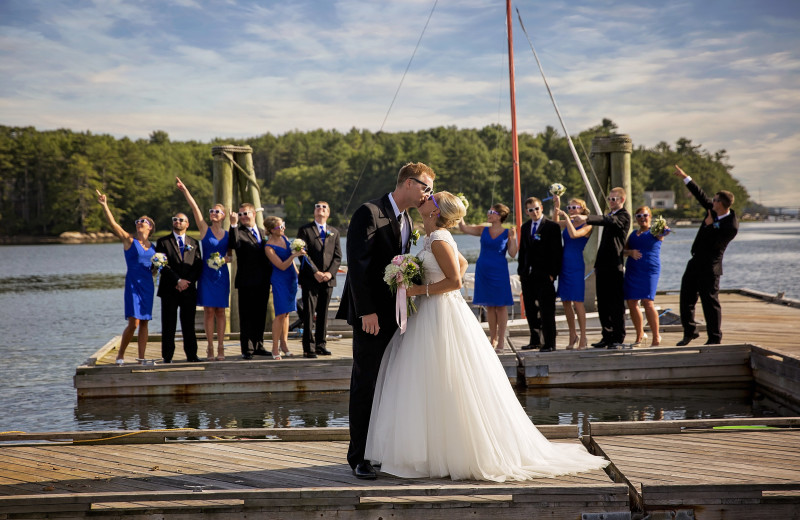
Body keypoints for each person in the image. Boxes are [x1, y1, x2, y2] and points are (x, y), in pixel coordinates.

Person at [365, 192, 609, 481]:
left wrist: (419, 290)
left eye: (432, 197)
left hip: (440, 313)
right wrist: (417, 278)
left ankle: (452, 453)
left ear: (435, 210)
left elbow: (456, 280)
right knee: (427, 379)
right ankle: (431, 451)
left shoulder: (440, 238)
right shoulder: (433, 237)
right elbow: (463, 266)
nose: (426, 198)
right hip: (431, 313)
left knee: (446, 377)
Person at [336, 161, 435, 480]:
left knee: (388, 383)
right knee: (365, 382)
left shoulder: (406, 219)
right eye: (425, 186)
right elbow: (359, 264)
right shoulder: (369, 211)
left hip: (396, 315)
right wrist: (366, 311)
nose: (427, 193)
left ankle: (379, 450)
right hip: (372, 316)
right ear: (408, 183)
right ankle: (359, 456)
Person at [673, 165, 739, 345]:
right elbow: (700, 194)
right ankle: (690, 331)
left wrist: (710, 225)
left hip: (710, 267)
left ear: (722, 204)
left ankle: (714, 338)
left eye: (715, 199)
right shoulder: (712, 210)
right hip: (695, 262)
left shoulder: (731, 226)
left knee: (710, 303)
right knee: (686, 298)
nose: (712, 201)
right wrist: (686, 176)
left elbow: (715, 244)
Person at [96, 190, 155, 365]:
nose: (139, 223)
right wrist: (105, 205)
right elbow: (113, 224)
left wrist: (157, 267)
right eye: (137, 221)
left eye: (143, 222)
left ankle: (141, 358)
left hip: (147, 286)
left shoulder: (154, 248)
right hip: (132, 285)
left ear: (150, 227)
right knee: (134, 322)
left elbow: (154, 270)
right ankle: (120, 355)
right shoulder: (129, 241)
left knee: (144, 322)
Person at [175, 177, 230, 361]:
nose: (213, 213)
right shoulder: (204, 229)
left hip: (221, 275)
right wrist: (185, 190)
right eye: (211, 211)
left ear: (223, 216)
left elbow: (230, 255)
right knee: (208, 311)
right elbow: (194, 207)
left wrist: (225, 259)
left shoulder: (228, 235)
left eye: (217, 211)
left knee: (221, 311)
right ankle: (210, 348)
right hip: (206, 275)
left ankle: (221, 346)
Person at [574, 187, 631, 349]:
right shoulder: (611, 216)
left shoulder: (623, 216)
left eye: (615, 199)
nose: (611, 201)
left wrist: (586, 218)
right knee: (604, 303)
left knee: (616, 303)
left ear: (622, 200)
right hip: (603, 266)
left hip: (615, 266)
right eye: (610, 199)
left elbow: (609, 221)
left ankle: (618, 337)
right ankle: (607, 335)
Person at [458, 203, 518, 353]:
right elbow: (463, 228)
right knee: (490, 306)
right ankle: (493, 338)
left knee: (501, 305)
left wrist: (514, 238)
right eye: (488, 211)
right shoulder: (482, 229)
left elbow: (512, 253)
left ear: (500, 215)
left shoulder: (507, 233)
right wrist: (460, 211)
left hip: (499, 271)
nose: (488, 214)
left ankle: (501, 340)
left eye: (491, 212)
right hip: (483, 270)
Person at [296, 201, 343, 358]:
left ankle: (321, 345)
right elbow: (303, 253)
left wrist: (330, 273)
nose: (320, 209)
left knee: (323, 313)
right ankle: (308, 347)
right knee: (309, 313)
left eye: (323, 207)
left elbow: (337, 256)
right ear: (314, 211)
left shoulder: (334, 232)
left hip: (328, 280)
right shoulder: (305, 230)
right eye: (317, 207)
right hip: (310, 279)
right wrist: (315, 272)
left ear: (328, 213)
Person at [156, 212, 203, 363]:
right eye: (175, 219)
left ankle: (191, 355)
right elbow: (162, 264)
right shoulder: (163, 242)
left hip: (188, 290)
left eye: (181, 220)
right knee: (169, 324)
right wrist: (177, 280)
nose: (177, 222)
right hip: (170, 289)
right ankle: (167, 356)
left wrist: (187, 281)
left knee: (188, 324)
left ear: (187, 224)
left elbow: (197, 265)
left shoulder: (194, 243)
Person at [517, 197, 563, 352]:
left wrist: (552, 274)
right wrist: (521, 272)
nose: (534, 212)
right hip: (528, 276)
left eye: (536, 208)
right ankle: (535, 340)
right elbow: (523, 251)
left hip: (545, 275)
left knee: (546, 311)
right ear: (526, 212)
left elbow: (557, 252)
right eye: (531, 210)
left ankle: (550, 343)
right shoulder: (525, 227)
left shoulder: (551, 227)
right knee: (530, 310)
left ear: (541, 208)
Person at [229, 204, 272, 359]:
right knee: (246, 316)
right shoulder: (238, 232)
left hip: (263, 281)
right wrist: (233, 224)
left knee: (260, 315)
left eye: (245, 213)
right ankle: (247, 348)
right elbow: (234, 245)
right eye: (240, 215)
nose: (243, 217)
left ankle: (258, 345)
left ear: (253, 213)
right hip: (246, 281)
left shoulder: (263, 232)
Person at [553, 196, 593, 350]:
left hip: (576, 264)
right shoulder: (568, 221)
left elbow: (574, 235)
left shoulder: (588, 225)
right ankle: (572, 334)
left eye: (575, 207)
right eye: (569, 208)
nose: (571, 210)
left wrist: (567, 218)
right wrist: (557, 207)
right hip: (564, 263)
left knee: (578, 302)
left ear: (582, 209)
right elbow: (555, 223)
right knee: (566, 301)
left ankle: (583, 336)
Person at [264, 216, 306, 360]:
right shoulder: (269, 247)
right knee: (280, 314)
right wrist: (294, 255)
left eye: (283, 225)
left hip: (290, 278)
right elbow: (281, 265)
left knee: (287, 312)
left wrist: (298, 274)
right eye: (279, 227)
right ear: (271, 230)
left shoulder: (285, 238)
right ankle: (275, 347)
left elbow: (291, 263)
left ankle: (284, 344)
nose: (283, 228)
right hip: (279, 279)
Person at [623, 206, 666, 347]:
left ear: (650, 217)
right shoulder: (633, 234)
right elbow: (623, 250)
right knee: (632, 302)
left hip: (649, 270)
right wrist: (630, 253)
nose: (642, 218)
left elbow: (665, 231)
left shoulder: (655, 232)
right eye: (639, 216)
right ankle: (640, 334)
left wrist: (663, 227)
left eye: (645, 215)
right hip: (633, 270)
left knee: (647, 302)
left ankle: (656, 336)